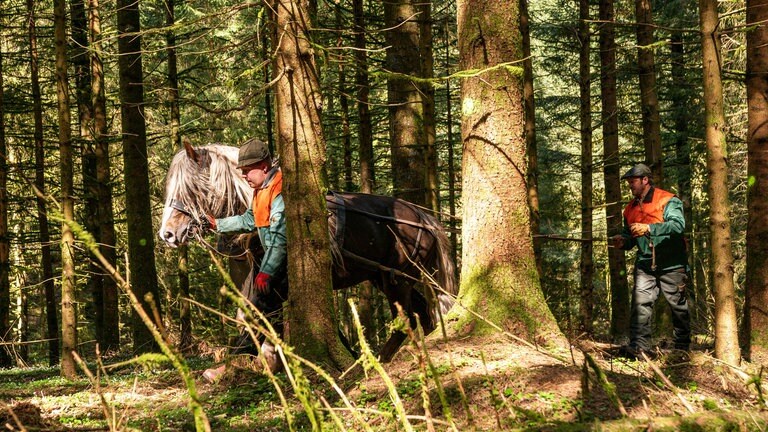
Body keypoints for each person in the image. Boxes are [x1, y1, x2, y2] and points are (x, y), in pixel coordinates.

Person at [202, 138, 287, 381]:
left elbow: (280, 237)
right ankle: (266, 360)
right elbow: (250, 220)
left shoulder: (278, 189)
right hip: (272, 263)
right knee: (257, 308)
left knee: (256, 308)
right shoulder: (261, 191)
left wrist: (266, 271)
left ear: (264, 165)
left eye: (248, 170)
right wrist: (217, 224)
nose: (245, 176)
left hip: (281, 263)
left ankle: (235, 365)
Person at [611, 163, 691, 359]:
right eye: (629, 183)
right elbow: (629, 235)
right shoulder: (629, 209)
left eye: (633, 182)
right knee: (640, 304)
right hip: (645, 264)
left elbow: (678, 225)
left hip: (672, 263)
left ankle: (682, 349)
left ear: (645, 180)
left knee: (678, 307)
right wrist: (624, 241)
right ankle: (639, 347)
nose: (630, 186)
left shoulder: (667, 200)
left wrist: (649, 228)